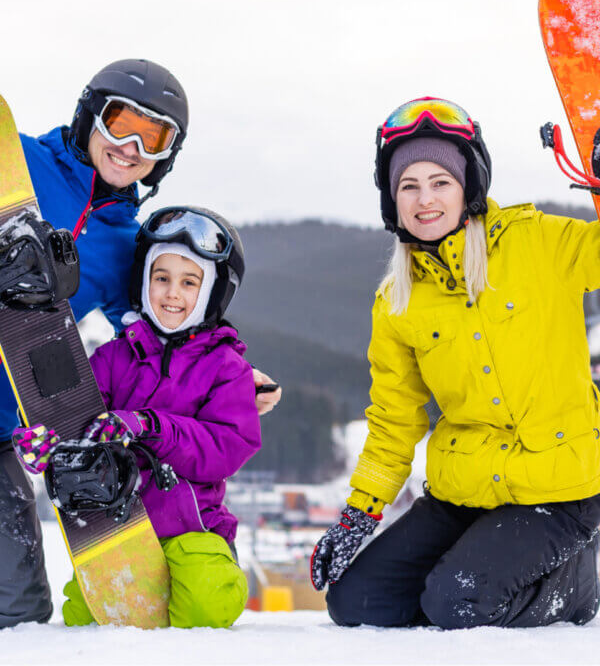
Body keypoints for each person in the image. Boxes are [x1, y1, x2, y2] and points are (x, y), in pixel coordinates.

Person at [0, 60, 281, 627]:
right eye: (121, 122)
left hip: (4, 433)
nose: (130, 146)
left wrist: (233, 371)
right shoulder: (22, 163)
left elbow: (160, 324)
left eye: (152, 137)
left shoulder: (129, 244)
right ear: (89, 118)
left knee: (20, 612)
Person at [311, 97, 600, 629]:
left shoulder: (536, 242)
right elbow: (395, 420)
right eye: (409, 186)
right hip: (464, 493)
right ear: (391, 200)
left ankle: (576, 582)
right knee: (356, 603)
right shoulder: (397, 300)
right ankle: (488, 566)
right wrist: (359, 513)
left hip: (559, 494)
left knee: (455, 603)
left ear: (469, 184)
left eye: (440, 181)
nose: (425, 200)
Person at [14, 205, 261, 628]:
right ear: (143, 281)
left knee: (206, 603)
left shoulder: (225, 366)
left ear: (212, 292)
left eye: (189, 282)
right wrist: (47, 445)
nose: (171, 294)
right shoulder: (115, 356)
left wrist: (150, 426)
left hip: (192, 531)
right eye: (161, 278)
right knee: (83, 617)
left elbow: (228, 447)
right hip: (115, 530)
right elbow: (77, 418)